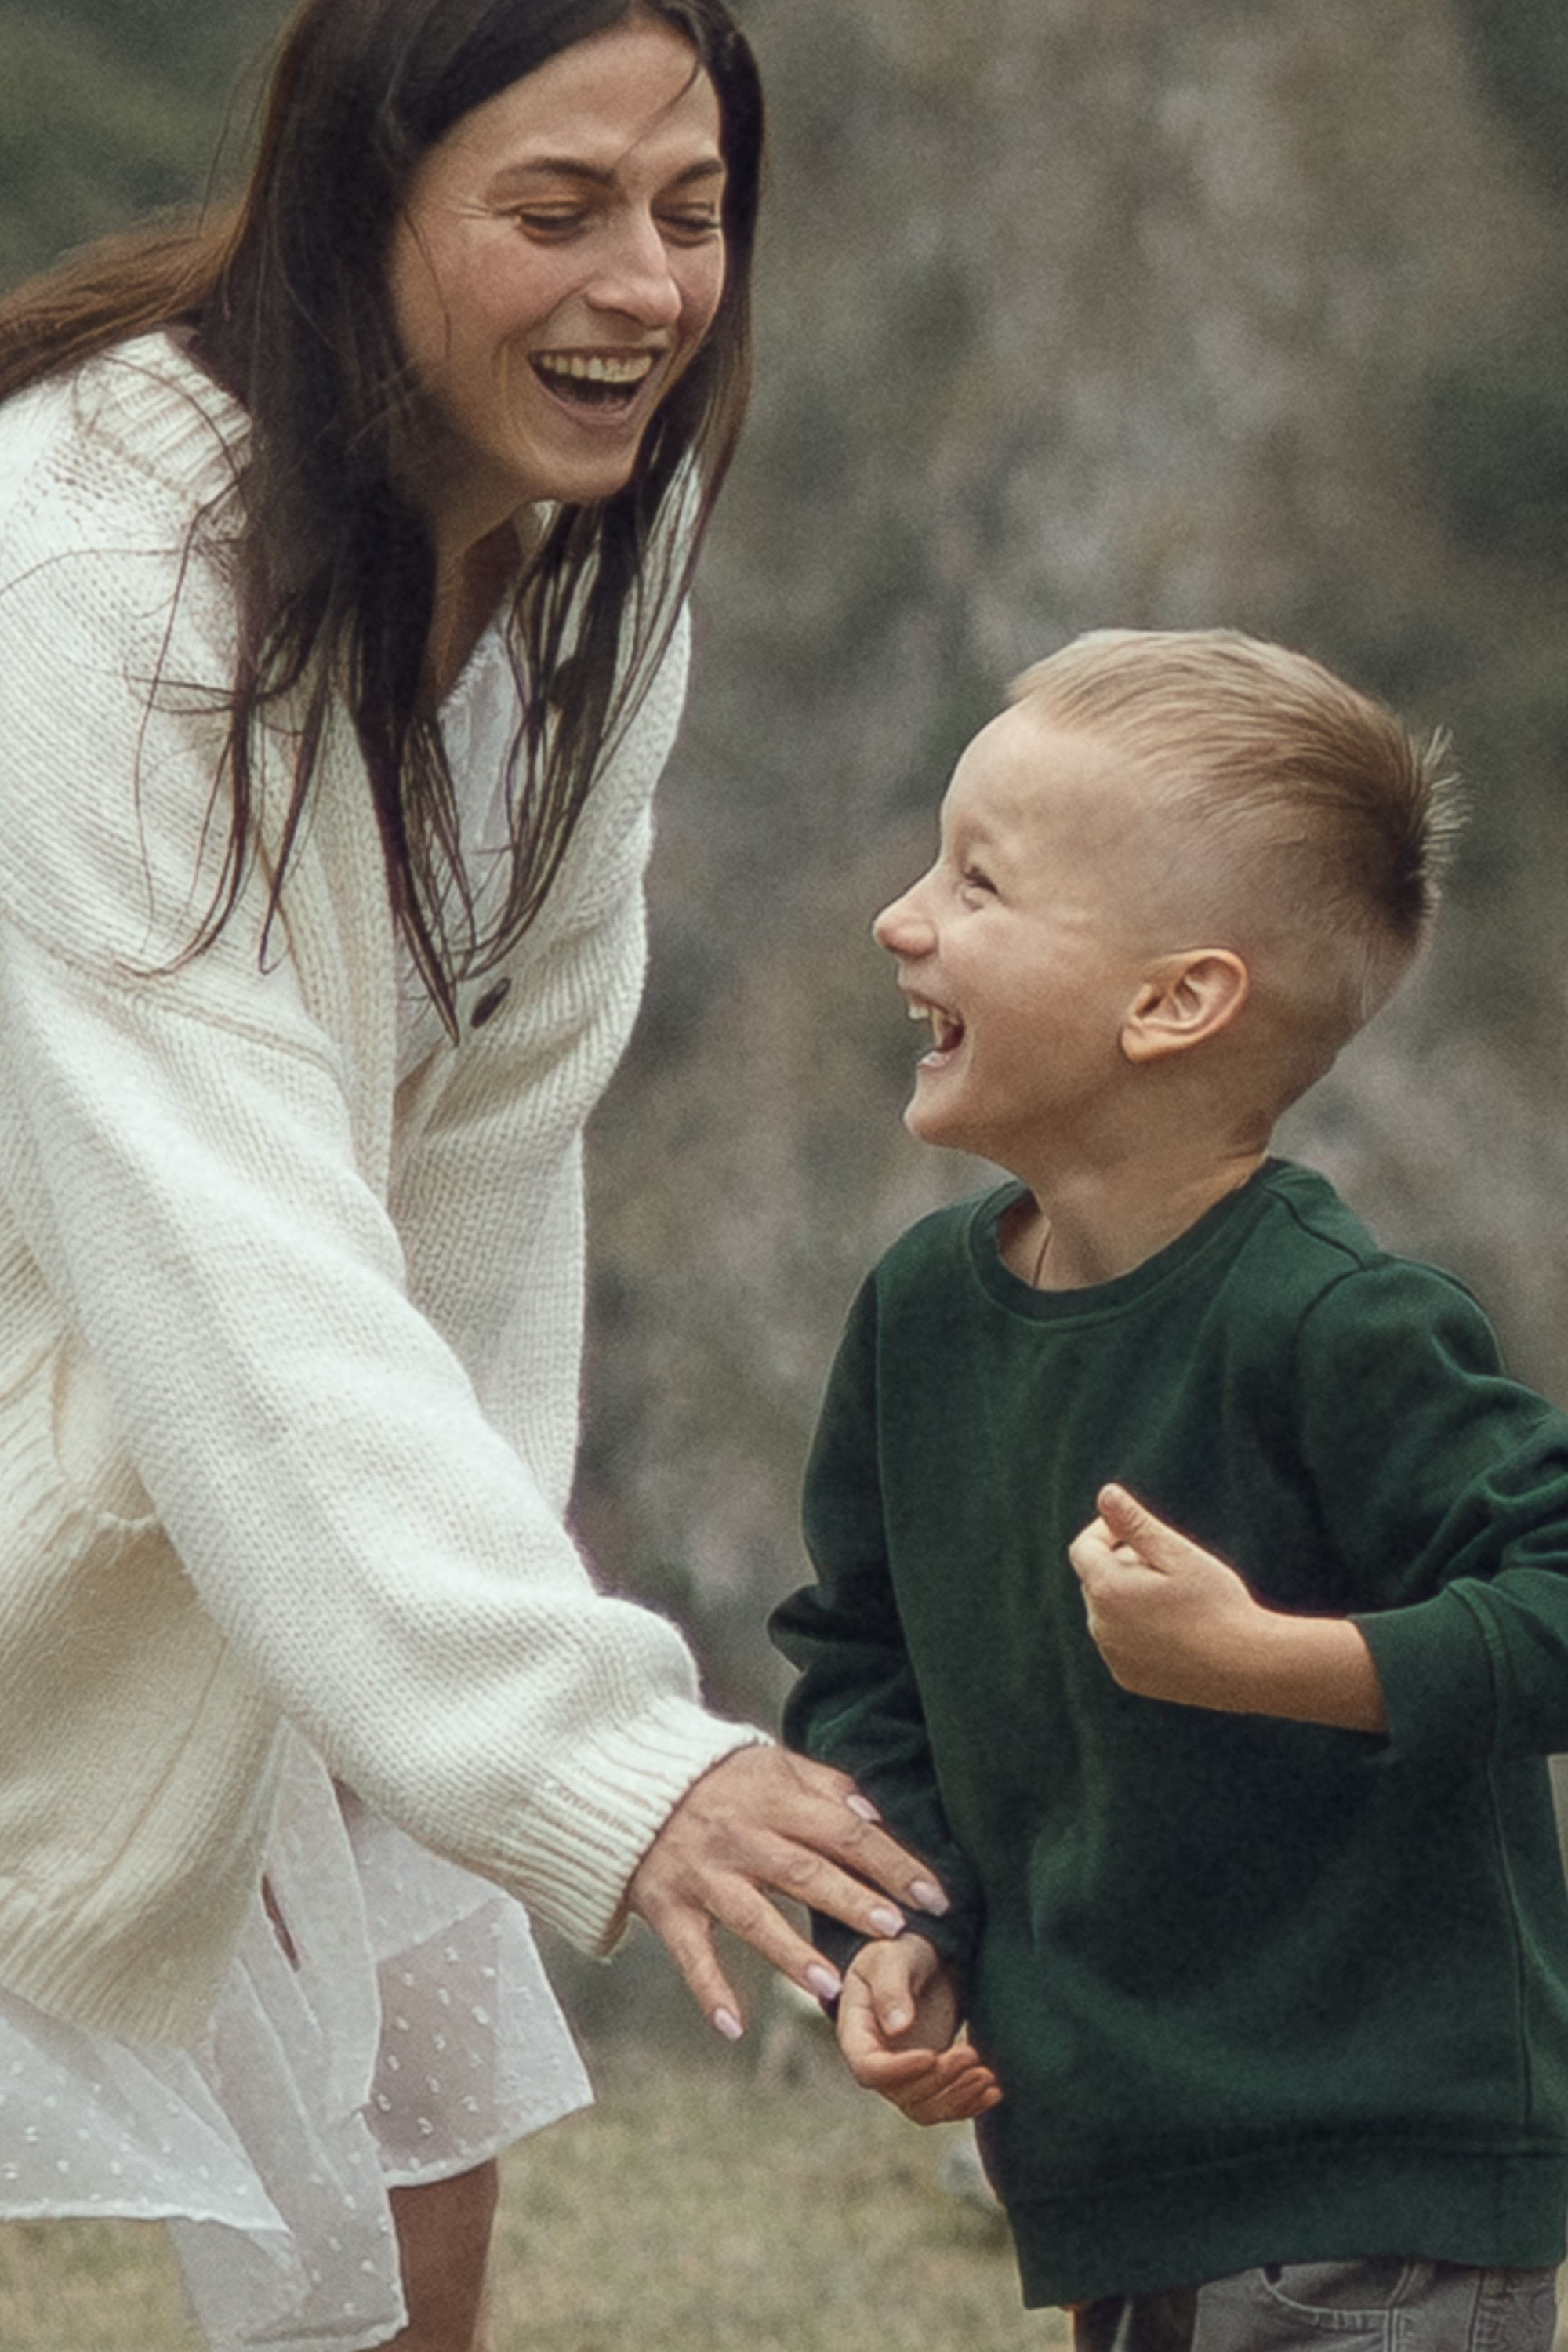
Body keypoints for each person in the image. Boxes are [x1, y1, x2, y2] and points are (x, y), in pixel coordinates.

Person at [0, 4, 948, 2347]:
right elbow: (215, 1219)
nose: (642, 284)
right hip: (111, 1381)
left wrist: (462, 1682)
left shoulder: (590, 563)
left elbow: (488, 1178)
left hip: (259, 1443)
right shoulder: (91, 575)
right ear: (357, 210)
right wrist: (576, 1750)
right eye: (555, 214)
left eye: (692, 212)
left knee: (411, 2158)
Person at [771, 626, 1568, 2352]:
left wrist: (1280, 1661)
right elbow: (866, 1662)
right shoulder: (919, 1321)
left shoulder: (1336, 1321)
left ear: (1175, 1001)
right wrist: (911, 1922)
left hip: (1380, 2195)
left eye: (976, 883)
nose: (901, 920)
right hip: (1119, 2183)